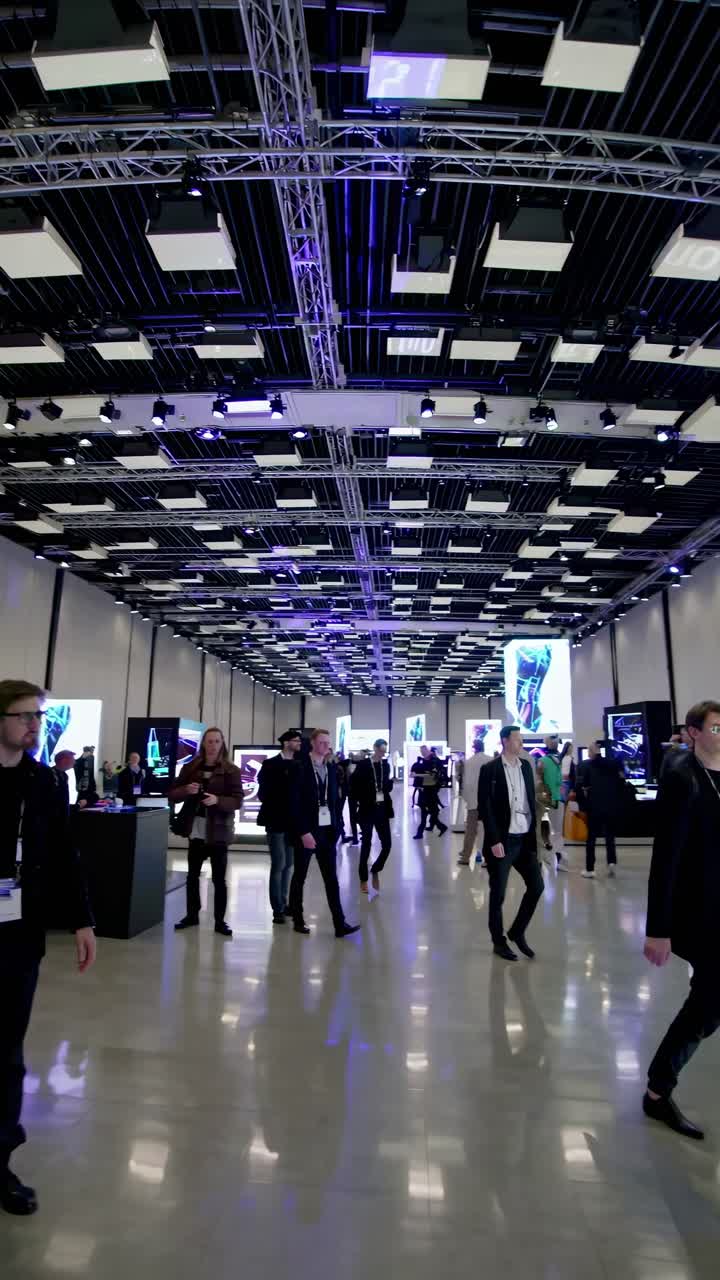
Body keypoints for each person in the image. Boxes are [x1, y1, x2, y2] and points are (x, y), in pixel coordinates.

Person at [0, 679, 96, 1217]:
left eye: (39, 716)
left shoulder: (43, 782)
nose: (35, 725)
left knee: (8, 1053)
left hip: (18, 933)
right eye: (24, 716)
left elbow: (65, 853)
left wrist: (82, 920)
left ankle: (1, 1162)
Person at [643, 700, 720, 1140]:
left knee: (710, 1002)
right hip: (698, 911)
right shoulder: (682, 778)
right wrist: (658, 927)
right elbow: (666, 857)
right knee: (711, 999)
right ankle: (658, 1090)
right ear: (693, 732)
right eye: (714, 728)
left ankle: (658, 1086)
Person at [477, 725, 544, 962]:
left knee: (537, 887)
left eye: (521, 739)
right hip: (503, 841)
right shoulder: (490, 769)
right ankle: (499, 941)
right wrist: (494, 839)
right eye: (517, 739)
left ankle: (517, 932)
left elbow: (529, 799)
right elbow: (485, 806)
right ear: (505, 741)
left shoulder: (526, 766)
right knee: (498, 895)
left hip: (524, 839)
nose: (521, 743)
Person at [170, 727, 243, 938]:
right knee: (192, 875)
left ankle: (220, 921)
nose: (212, 746)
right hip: (196, 829)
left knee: (219, 879)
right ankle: (192, 915)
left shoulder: (231, 770)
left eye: (216, 741)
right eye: (209, 741)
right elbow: (172, 794)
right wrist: (186, 790)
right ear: (203, 743)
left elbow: (237, 800)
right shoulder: (191, 767)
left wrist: (218, 800)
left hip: (218, 831)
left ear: (222, 744)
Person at [288, 728, 360, 939]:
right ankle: (298, 920)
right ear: (312, 743)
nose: (325, 746)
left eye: (327, 743)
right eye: (321, 742)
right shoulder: (300, 767)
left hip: (328, 832)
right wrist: (303, 832)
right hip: (307, 832)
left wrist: (338, 827)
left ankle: (340, 923)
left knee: (331, 879)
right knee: (299, 877)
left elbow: (336, 801)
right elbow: (294, 803)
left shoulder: (331, 769)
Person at [257, 729, 302, 924]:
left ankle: (284, 904)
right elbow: (263, 792)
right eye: (295, 740)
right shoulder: (270, 764)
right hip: (276, 821)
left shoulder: (299, 765)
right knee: (279, 864)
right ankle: (277, 908)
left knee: (289, 865)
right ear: (285, 743)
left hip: (292, 823)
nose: (299, 743)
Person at [575, 740, 626, 879]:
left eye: (589, 751)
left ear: (593, 751)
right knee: (610, 836)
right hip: (611, 805)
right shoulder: (613, 764)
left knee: (591, 838)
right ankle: (611, 862)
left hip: (594, 806)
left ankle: (590, 869)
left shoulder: (586, 765)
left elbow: (582, 785)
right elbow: (622, 782)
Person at [351, 738, 394, 893]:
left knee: (387, 845)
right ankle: (363, 878)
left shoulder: (386, 765)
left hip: (382, 810)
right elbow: (354, 786)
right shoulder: (363, 765)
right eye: (381, 750)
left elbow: (386, 787)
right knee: (367, 843)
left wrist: (389, 785)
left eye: (384, 751)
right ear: (375, 748)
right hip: (366, 810)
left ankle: (375, 868)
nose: (382, 753)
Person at [535, 735, 568, 871]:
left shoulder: (541, 761)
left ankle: (546, 856)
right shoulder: (560, 761)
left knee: (543, 829)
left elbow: (538, 780)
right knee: (558, 831)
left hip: (544, 799)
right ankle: (558, 858)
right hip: (557, 799)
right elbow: (560, 782)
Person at [458, 739, 491, 866]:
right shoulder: (490, 760)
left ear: (474, 748)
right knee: (488, 831)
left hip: (473, 802)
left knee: (470, 831)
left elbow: (466, 783)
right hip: (487, 802)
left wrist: (467, 799)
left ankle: (465, 857)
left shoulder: (468, 762)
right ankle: (487, 859)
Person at [412, 746, 448, 838]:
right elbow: (414, 772)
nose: (422, 753)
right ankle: (438, 827)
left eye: (424, 751)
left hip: (430, 790)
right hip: (424, 789)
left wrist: (418, 775)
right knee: (426, 811)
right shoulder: (421, 761)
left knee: (429, 811)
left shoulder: (435, 761)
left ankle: (437, 827)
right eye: (421, 751)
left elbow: (433, 775)